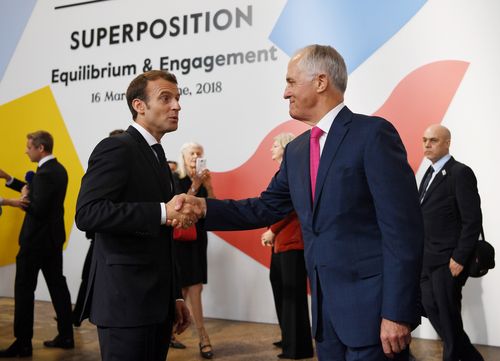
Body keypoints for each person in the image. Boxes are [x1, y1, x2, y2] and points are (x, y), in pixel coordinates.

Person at [175, 44, 424, 361]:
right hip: (326, 320)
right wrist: (203, 208)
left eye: (291, 82)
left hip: (375, 317)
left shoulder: (372, 135)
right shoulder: (297, 151)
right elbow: (264, 208)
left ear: (320, 82)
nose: (284, 93)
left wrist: (397, 312)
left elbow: (403, 232)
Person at [75, 70, 198, 361]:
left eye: (178, 99)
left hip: (155, 305)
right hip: (126, 305)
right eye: (165, 98)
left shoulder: (156, 154)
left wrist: (175, 296)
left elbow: (163, 238)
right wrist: (160, 211)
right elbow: (88, 213)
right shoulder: (117, 148)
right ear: (138, 106)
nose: (177, 106)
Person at [0, 131, 74, 358]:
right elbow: (39, 193)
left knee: (23, 291)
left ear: (40, 148)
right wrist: (9, 179)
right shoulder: (57, 170)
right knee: (58, 288)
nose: (25, 150)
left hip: (34, 243)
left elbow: (37, 206)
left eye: (28, 147)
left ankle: (23, 343)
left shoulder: (44, 173)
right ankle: (66, 335)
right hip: (52, 241)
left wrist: (19, 200)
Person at [419, 124, 484, 361]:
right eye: (424, 140)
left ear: (447, 143)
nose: (427, 144)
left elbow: (472, 220)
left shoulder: (460, 173)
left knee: (447, 316)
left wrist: (459, 257)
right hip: (427, 258)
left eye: (433, 140)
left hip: (448, 261)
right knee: (431, 308)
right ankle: (472, 358)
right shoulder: (427, 173)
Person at [260, 132, 313, 359]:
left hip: (293, 242)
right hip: (281, 244)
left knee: (293, 295)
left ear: (285, 147)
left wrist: (272, 230)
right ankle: (288, 338)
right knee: (282, 290)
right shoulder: (283, 172)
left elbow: (290, 206)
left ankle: (297, 347)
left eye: (275, 144)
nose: (271, 147)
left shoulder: (293, 172)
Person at [72, 129, 126, 327]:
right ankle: (78, 314)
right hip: (100, 239)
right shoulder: (107, 161)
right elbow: (88, 212)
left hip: (112, 244)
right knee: (89, 278)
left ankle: (78, 314)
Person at [172, 142, 216, 359]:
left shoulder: (202, 179)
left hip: (198, 239)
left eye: (199, 152)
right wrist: (196, 185)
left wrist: (207, 185)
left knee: (193, 288)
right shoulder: (175, 178)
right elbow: (181, 207)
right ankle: (200, 337)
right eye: (192, 153)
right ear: (183, 156)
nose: (196, 155)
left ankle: (194, 336)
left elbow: (214, 206)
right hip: (180, 241)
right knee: (184, 290)